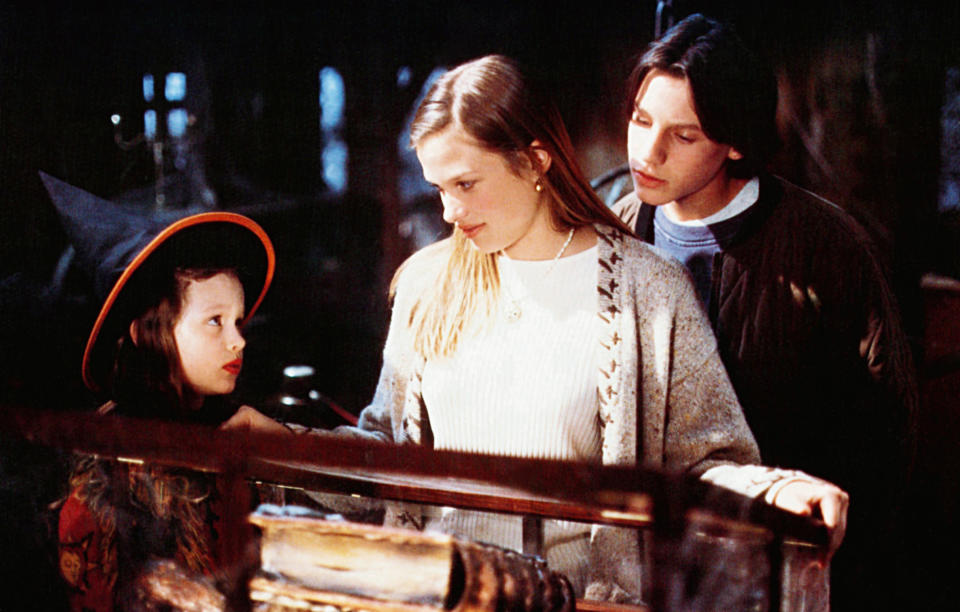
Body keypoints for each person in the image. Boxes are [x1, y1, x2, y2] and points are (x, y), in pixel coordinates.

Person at [329, 55, 848, 603]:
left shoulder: (649, 289)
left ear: (535, 163)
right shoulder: (426, 283)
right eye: (439, 187)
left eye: (466, 183)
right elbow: (384, 445)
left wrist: (778, 491)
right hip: (436, 594)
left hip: (576, 600)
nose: (450, 211)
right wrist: (271, 436)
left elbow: (705, 467)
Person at [610, 14, 917, 608]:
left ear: (737, 142)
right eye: (641, 120)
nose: (648, 152)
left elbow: (886, 430)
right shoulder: (615, 234)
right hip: (640, 571)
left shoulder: (825, 245)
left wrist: (825, 562)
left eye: (684, 135)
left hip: (779, 569)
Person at [42, 173, 286, 611]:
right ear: (147, 333)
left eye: (239, 320)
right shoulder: (103, 473)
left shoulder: (234, 431)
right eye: (215, 321)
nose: (239, 340)